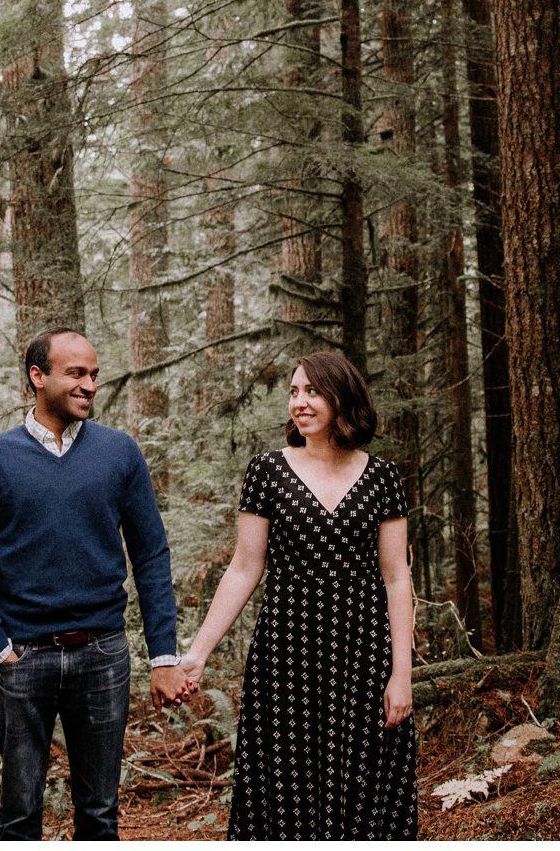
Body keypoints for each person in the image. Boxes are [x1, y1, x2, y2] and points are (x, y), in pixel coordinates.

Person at [0, 327, 189, 841]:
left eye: (94, 375)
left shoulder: (119, 453)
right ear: (38, 376)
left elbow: (151, 555)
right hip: (22, 658)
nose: (89, 385)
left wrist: (163, 656)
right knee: (19, 816)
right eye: (76, 373)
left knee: (99, 816)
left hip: (101, 656)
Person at [179, 350, 417, 839]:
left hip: (363, 657)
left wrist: (402, 675)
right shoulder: (267, 472)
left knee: (366, 789)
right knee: (285, 792)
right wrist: (199, 653)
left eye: (311, 391)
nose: (299, 402)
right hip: (286, 659)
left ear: (341, 398)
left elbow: (397, 578)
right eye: (293, 392)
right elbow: (245, 568)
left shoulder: (382, 479)